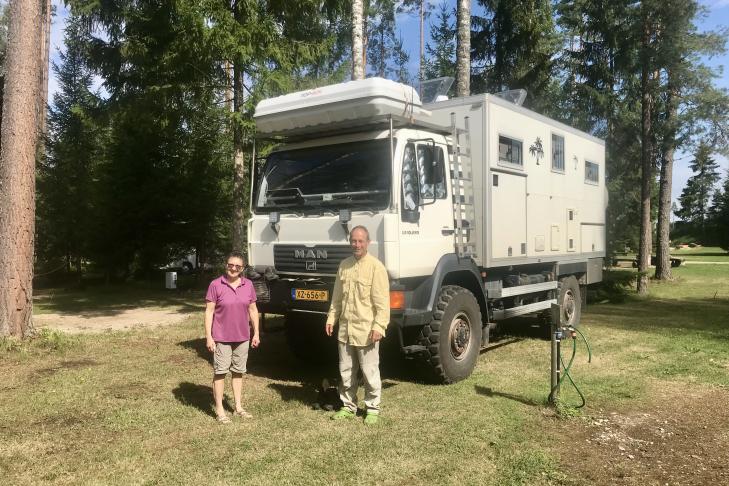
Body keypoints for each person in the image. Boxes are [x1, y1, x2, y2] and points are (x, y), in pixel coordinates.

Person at [325, 226, 389, 424]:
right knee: (346, 370)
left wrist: (379, 326)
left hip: (367, 330)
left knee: (369, 371)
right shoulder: (344, 266)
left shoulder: (376, 267)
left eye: (361, 241)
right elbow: (337, 298)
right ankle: (348, 406)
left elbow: (383, 303)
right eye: (354, 241)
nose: (357, 244)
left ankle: (372, 408)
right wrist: (331, 318)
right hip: (345, 329)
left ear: (368, 243)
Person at [204, 251, 260, 424]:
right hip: (221, 337)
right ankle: (220, 409)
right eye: (230, 265)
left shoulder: (248, 284)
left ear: (242, 268)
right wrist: (209, 337)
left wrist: (256, 332)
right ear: (226, 265)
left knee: (238, 372)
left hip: (242, 336)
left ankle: (238, 407)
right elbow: (209, 311)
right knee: (220, 372)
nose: (233, 268)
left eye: (237, 266)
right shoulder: (216, 284)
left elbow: (253, 310)